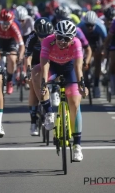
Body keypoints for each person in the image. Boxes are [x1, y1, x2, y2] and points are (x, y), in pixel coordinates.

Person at [31, 20, 88, 161]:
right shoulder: (48, 41)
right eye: (59, 37)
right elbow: (44, 64)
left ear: (72, 38)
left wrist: (82, 85)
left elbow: (78, 67)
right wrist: (44, 84)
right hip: (53, 67)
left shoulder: (77, 43)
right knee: (36, 71)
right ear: (55, 35)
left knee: (74, 104)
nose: (62, 41)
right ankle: (48, 111)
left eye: (66, 38)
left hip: (69, 69)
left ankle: (77, 147)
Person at [24, 17, 54, 135]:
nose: (43, 39)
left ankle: (54, 90)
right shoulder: (31, 38)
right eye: (40, 36)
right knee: (32, 85)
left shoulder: (54, 37)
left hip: (51, 61)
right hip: (36, 61)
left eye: (45, 36)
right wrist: (27, 70)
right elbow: (28, 56)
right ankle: (33, 121)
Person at [0, 9, 25, 94]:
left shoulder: (14, 27)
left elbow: (21, 45)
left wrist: (20, 56)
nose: (5, 26)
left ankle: (9, 80)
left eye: (8, 23)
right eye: (3, 23)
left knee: (12, 58)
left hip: (11, 42)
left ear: (11, 22)